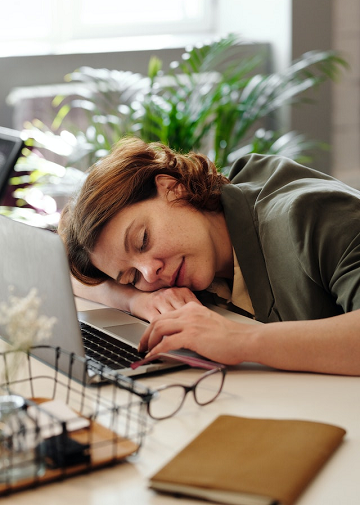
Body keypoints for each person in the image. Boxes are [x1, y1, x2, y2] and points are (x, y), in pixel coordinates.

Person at [58, 137, 360, 376]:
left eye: (143, 240)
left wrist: (239, 340)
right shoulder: (204, 235)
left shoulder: (311, 216)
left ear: (171, 189)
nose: (150, 273)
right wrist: (138, 300)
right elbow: (67, 276)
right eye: (131, 276)